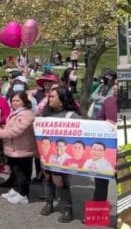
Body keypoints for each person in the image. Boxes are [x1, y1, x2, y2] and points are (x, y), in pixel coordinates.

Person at [39, 86, 82, 223]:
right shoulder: (45, 114)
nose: (49, 99)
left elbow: (83, 134)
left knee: (60, 181)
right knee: (47, 178)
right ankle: (49, 203)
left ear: (62, 100)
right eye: (49, 96)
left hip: (62, 156)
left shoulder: (72, 116)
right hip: (46, 153)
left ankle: (68, 208)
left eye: (52, 97)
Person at [0, 93, 37, 205]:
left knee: (22, 173)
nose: (14, 103)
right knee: (15, 171)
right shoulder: (15, 113)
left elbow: (16, 131)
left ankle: (23, 194)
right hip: (14, 149)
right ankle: (16, 190)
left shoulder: (26, 114)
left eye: (17, 101)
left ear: (24, 101)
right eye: (13, 100)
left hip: (22, 150)